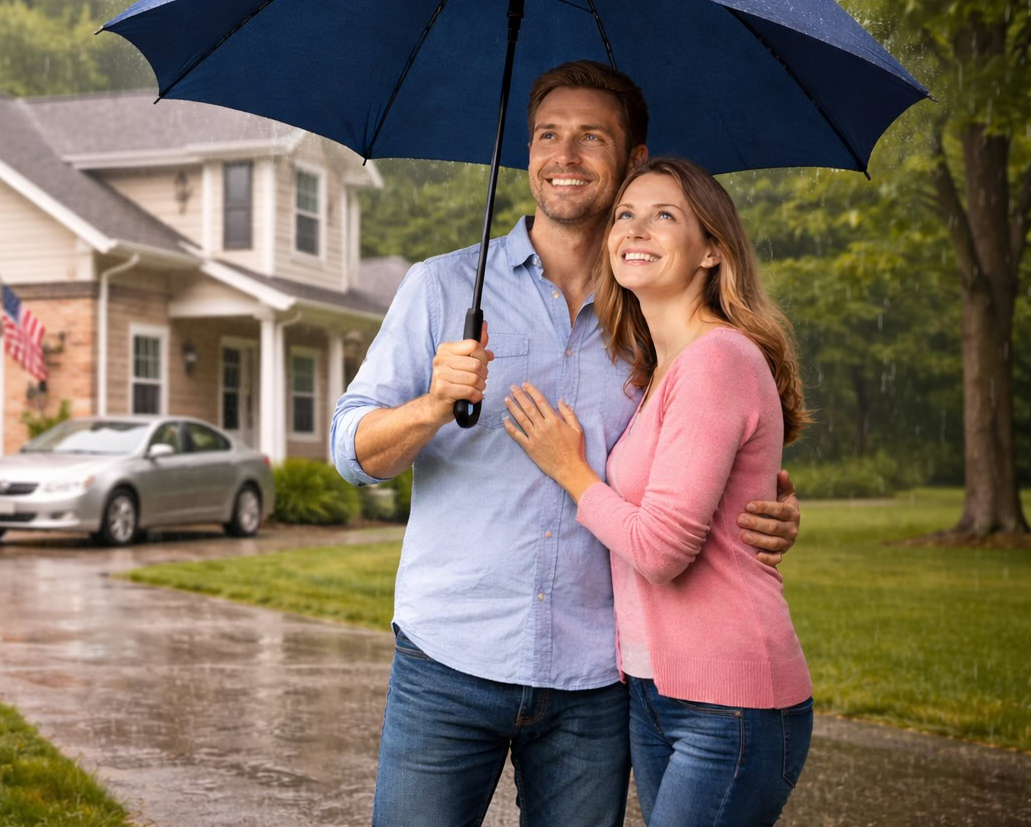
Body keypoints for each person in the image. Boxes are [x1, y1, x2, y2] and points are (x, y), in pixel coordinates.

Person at [329, 60, 801, 827]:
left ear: (632, 160)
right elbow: (350, 451)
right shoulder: (443, 290)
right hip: (450, 659)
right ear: (526, 154)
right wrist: (432, 405)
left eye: (591, 137)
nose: (565, 154)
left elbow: (700, 455)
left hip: (596, 681)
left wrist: (764, 507)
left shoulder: (656, 321)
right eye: (548, 134)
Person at [503, 156, 813, 826]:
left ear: (711, 250)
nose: (635, 230)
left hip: (729, 699)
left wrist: (570, 470)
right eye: (624, 215)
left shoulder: (716, 360)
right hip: (656, 689)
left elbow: (664, 548)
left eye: (663, 215)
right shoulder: (660, 371)